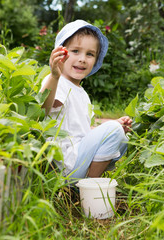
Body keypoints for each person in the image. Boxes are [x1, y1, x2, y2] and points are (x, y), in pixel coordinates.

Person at [40, 20, 132, 180]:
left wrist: (113, 126)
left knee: (123, 138)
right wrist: (54, 76)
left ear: (96, 60)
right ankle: (89, 184)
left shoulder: (82, 92)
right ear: (60, 54)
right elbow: (43, 110)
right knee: (114, 130)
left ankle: (87, 181)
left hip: (79, 155)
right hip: (64, 161)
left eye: (90, 54)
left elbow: (82, 131)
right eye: (75, 51)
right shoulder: (57, 82)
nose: (82, 59)